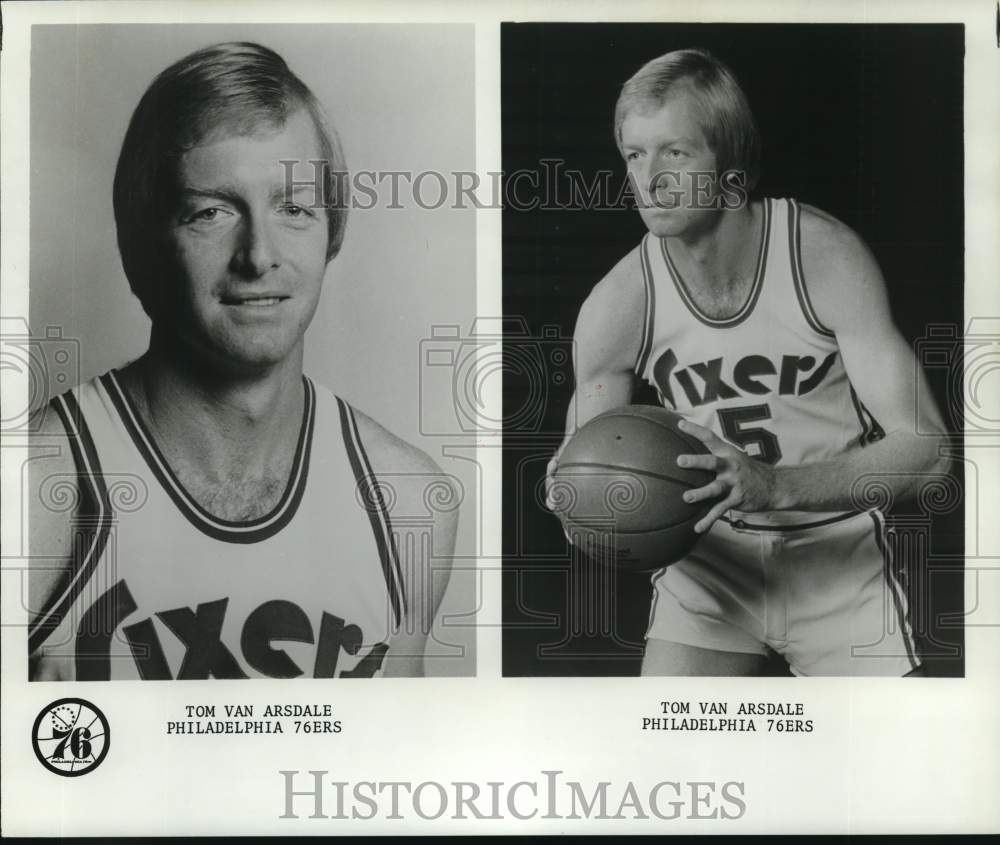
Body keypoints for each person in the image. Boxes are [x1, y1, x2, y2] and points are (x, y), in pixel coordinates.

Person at [27, 42, 457, 680]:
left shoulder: (408, 502)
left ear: (333, 230)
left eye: (294, 208)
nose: (259, 255)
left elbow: (389, 766)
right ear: (139, 241)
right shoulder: (39, 488)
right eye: (210, 212)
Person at [546, 48, 948, 677]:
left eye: (674, 153)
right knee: (664, 764)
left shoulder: (822, 255)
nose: (649, 179)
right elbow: (583, 470)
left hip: (837, 559)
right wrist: (581, 501)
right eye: (634, 154)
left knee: (880, 769)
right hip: (712, 572)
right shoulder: (617, 305)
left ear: (731, 167)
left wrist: (776, 485)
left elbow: (927, 451)